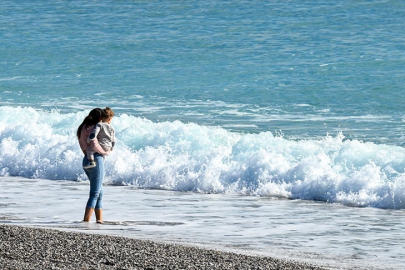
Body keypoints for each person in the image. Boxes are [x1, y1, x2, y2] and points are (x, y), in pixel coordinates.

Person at [77, 108, 111, 224]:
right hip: (96, 160)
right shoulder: (94, 127)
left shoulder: (82, 128)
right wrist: (104, 152)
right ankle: (86, 220)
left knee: (99, 192)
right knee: (95, 193)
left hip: (86, 160)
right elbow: (94, 142)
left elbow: (83, 145)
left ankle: (99, 220)